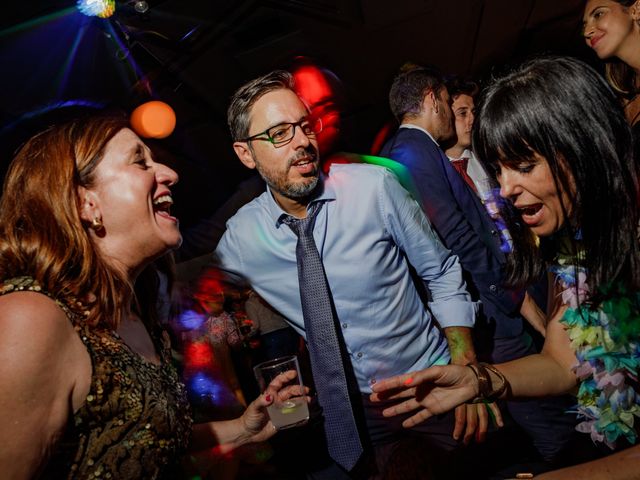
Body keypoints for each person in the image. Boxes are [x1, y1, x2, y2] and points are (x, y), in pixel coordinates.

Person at [371, 56, 640, 478]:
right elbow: (559, 362)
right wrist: (481, 380)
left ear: (581, 144)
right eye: (499, 170)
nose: (506, 188)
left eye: (524, 166)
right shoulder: (572, 247)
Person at [0, 114, 303, 478]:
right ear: (85, 203)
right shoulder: (32, 318)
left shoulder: (134, 312)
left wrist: (242, 427)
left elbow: (148, 438)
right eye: (140, 162)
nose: (169, 174)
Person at [213, 70, 480, 478]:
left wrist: (466, 366)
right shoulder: (241, 238)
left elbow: (441, 270)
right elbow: (197, 311)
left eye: (304, 126)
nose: (303, 142)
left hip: (429, 385)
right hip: (349, 413)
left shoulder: (373, 188)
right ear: (245, 154)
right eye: (280, 133)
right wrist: (230, 397)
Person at [378, 64, 575, 461]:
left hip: (495, 299)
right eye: (451, 104)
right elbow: (457, 236)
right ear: (433, 99)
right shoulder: (410, 151)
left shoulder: (413, 149)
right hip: (490, 307)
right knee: (549, 421)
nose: (453, 114)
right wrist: (513, 297)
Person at [583, 0, 640, 125]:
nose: (586, 32)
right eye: (584, 25)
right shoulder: (620, 94)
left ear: (636, 10)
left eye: (598, 14)